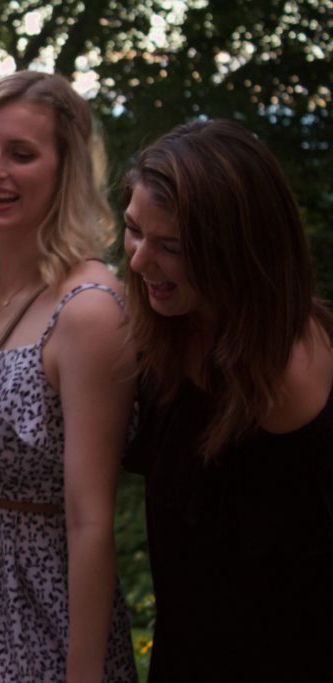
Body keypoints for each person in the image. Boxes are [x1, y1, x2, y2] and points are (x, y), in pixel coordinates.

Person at [0, 70, 138, 682]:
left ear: (63, 169)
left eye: (21, 154)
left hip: (37, 611)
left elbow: (91, 518)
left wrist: (83, 674)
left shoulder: (89, 310)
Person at [122, 119, 333, 681]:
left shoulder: (283, 375)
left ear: (237, 252)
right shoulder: (173, 330)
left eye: (169, 246)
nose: (140, 261)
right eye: (133, 230)